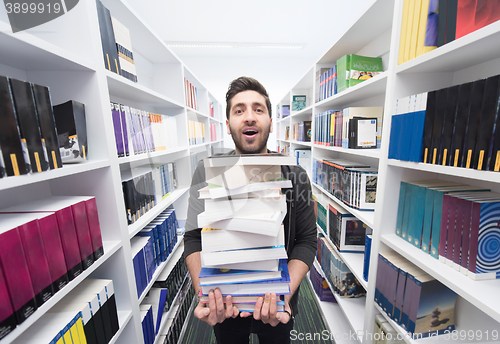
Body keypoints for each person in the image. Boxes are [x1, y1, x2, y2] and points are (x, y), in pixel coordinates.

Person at [183, 76, 317, 344]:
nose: (249, 117)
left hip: (277, 302)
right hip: (225, 304)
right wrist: (205, 294)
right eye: (239, 110)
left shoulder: (296, 175)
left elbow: (306, 241)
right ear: (228, 124)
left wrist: (282, 294)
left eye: (258, 109)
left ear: (269, 121)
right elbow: (193, 238)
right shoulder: (206, 172)